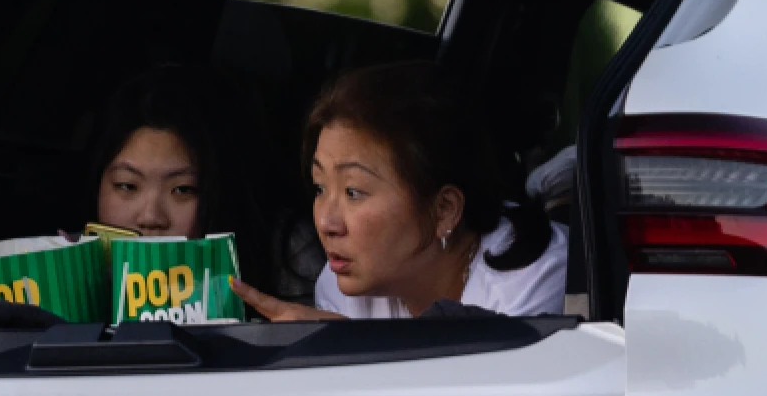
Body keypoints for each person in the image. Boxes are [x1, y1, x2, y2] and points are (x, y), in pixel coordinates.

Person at [232, 62, 566, 321]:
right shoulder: (340, 284)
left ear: (444, 210)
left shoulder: (535, 278)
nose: (325, 223)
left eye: (353, 192)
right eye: (320, 188)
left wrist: (347, 346)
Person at [88, 65, 279, 289]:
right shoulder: (66, 277)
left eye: (182, 189)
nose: (150, 217)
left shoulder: (283, 266)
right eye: (127, 186)